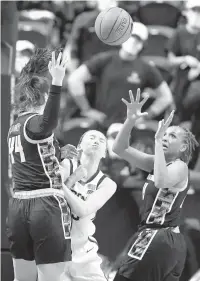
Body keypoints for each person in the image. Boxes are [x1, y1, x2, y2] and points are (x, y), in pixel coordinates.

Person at [110, 88, 199, 281]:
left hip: (157, 237)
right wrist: (131, 120)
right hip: (164, 242)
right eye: (164, 134)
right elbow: (119, 148)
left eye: (172, 136)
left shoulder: (180, 167)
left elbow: (160, 180)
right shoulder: (156, 163)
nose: (166, 137)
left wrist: (158, 141)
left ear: (183, 147)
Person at [6, 50, 72, 281]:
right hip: (44, 204)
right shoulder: (36, 122)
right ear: (44, 95)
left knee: (21, 279)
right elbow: (48, 122)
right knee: (51, 278)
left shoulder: (16, 125)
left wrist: (60, 155)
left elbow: (36, 155)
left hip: (18, 205)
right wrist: (58, 82)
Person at [67, 22, 173, 130]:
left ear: (142, 44)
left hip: (128, 127)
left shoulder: (146, 68)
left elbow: (166, 97)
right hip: (102, 123)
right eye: (131, 37)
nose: (133, 42)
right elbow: (74, 79)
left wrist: (146, 116)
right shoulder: (105, 60)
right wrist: (87, 109)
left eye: (138, 40)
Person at [59, 130, 117, 281]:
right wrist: (72, 179)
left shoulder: (107, 184)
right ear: (79, 146)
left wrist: (64, 183)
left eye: (101, 140)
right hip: (56, 246)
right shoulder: (66, 165)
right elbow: (51, 197)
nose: (96, 141)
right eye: (91, 137)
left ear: (104, 153)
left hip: (83, 249)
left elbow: (83, 210)